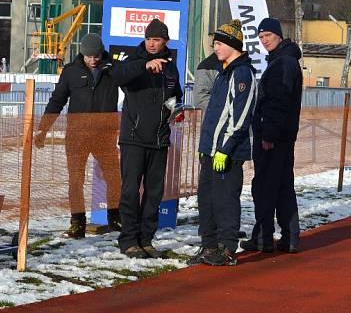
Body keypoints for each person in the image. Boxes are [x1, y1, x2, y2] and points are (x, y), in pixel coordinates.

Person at [34, 33, 122, 238]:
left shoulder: (113, 70)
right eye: (89, 56)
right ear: (82, 54)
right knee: (75, 181)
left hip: (104, 136)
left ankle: (116, 220)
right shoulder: (70, 72)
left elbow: (133, 85)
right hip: (77, 137)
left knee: (114, 179)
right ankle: (77, 223)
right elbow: (57, 100)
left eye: (97, 56)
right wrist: (43, 129)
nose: (93, 60)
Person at [110, 19, 183, 259]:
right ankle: (128, 240)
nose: (152, 44)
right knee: (130, 191)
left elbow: (176, 96)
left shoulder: (171, 68)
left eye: (157, 40)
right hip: (133, 138)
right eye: (149, 39)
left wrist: (177, 109)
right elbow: (118, 76)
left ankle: (146, 239)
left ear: (165, 42)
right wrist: (144, 65)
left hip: (160, 139)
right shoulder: (133, 60)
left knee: (154, 193)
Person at [193, 20, 256, 266]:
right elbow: (214, 114)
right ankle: (208, 246)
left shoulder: (242, 73)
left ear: (231, 45)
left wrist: (224, 149)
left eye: (219, 44)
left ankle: (227, 248)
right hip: (210, 150)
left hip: (227, 153)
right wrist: (205, 148)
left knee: (225, 200)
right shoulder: (224, 72)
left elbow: (239, 117)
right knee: (206, 200)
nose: (215, 48)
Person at [242, 17, 303, 254]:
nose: (264, 40)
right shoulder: (284, 61)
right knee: (283, 185)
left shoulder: (281, 64)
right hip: (284, 135)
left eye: (268, 35)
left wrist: (268, 134)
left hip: (274, 137)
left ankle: (263, 237)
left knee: (265, 186)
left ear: (279, 36)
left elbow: (277, 102)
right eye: (261, 37)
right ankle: (289, 237)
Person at [194, 47, 223, 113]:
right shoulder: (208, 66)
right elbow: (201, 97)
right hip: (217, 119)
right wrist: (223, 110)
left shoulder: (240, 64)